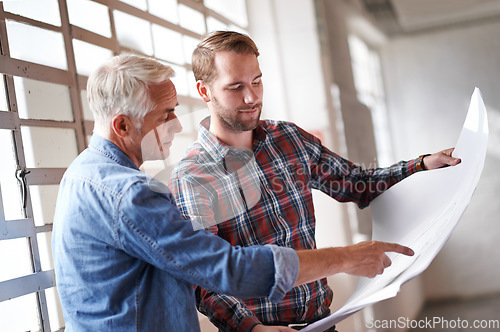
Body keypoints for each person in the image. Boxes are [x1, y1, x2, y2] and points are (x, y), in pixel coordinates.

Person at [51, 53, 414, 332]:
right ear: (122, 124)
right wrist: (347, 257)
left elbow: (354, 181)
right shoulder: (130, 193)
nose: (177, 125)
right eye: (165, 115)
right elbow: (222, 269)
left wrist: (418, 166)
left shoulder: (82, 175)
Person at [168, 31, 461, 332]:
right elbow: (203, 276)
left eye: (257, 81)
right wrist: (251, 329)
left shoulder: (289, 139)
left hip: (323, 323)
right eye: (236, 87)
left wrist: (421, 165)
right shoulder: (193, 177)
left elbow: (356, 183)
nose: (252, 97)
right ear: (204, 91)